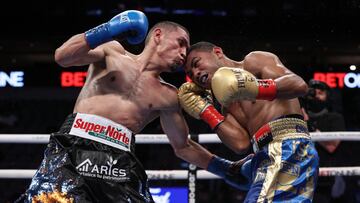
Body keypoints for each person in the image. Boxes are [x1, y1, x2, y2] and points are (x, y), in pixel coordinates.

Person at [17, 11, 252, 203]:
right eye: (181, 44)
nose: (183, 54)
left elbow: (182, 146)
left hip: (118, 163)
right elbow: (63, 56)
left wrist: (225, 169)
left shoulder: (168, 95)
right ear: (158, 35)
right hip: (73, 148)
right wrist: (107, 29)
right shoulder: (112, 51)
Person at [178, 41, 319, 202]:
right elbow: (240, 144)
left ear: (217, 52)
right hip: (265, 156)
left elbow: (299, 85)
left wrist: (254, 87)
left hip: (287, 147)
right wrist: (207, 111)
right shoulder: (226, 106)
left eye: (196, 64)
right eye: (191, 73)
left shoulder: (253, 61)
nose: (196, 73)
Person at [302, 80, 357, 203]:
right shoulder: (300, 117)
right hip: (303, 176)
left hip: (327, 180)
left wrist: (309, 126)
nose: (316, 96)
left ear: (327, 96)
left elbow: (332, 145)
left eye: (320, 93)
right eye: (313, 93)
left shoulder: (334, 118)